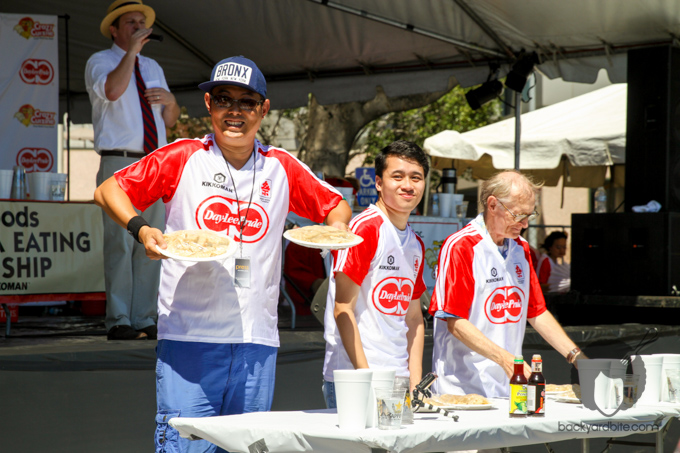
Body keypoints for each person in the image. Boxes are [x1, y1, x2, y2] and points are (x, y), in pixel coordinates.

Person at [93, 55, 351, 452]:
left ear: (263, 110)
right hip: (189, 338)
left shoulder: (281, 166)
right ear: (209, 105)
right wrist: (141, 229)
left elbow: (336, 205)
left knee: (248, 447)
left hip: (257, 341)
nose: (235, 111)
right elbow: (109, 189)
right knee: (184, 446)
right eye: (224, 99)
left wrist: (334, 232)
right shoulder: (183, 156)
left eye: (247, 102)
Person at [429, 170, 586, 398]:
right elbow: (455, 321)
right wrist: (506, 360)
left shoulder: (520, 248)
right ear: (492, 205)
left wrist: (576, 357)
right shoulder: (461, 246)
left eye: (529, 216)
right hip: (462, 389)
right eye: (518, 215)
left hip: (509, 386)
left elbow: (536, 311)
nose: (524, 224)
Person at [85, 0, 180, 340]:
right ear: (115, 29)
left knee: (153, 242)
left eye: (142, 22)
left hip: (154, 162)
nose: (138, 27)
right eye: (130, 23)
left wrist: (171, 102)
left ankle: (145, 317)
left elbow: (170, 119)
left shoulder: (153, 65)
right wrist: (132, 53)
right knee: (120, 244)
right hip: (119, 161)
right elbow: (112, 90)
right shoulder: (101, 61)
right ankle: (120, 319)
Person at [322, 140, 428, 407]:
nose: (408, 185)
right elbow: (342, 308)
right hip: (356, 380)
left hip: (398, 382)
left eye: (416, 178)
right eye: (398, 176)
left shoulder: (415, 243)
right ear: (379, 183)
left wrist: (415, 382)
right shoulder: (365, 229)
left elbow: (414, 318)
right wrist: (365, 377)